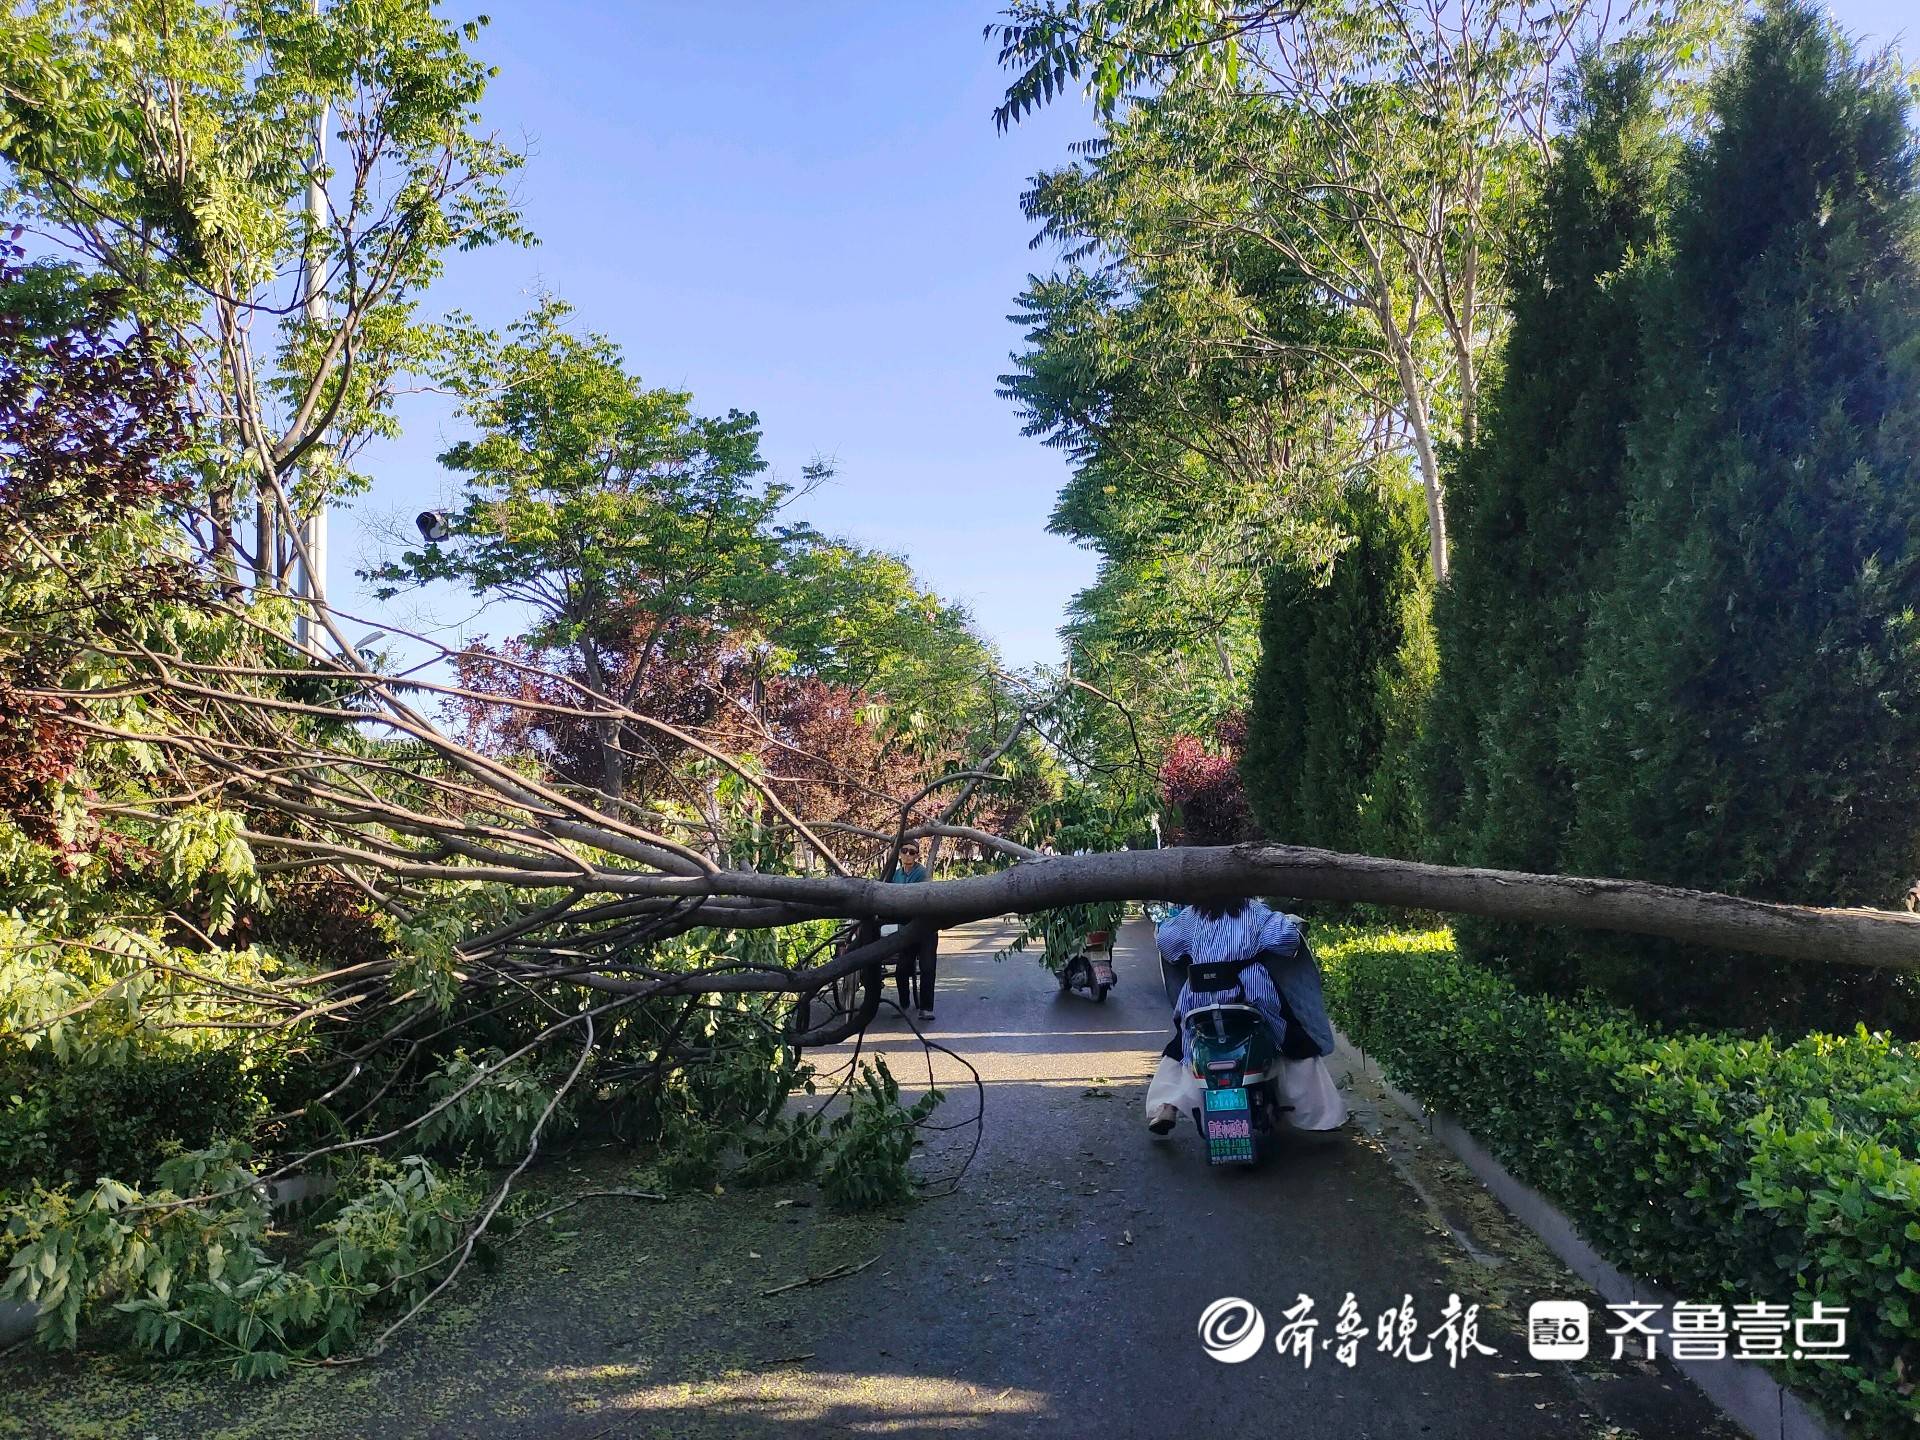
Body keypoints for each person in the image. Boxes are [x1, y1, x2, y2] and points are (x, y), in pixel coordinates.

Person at [1144, 896, 1346, 1135]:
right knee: (1291, 1039)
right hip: (1251, 994)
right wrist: (1287, 922)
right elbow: (1287, 940)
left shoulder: (1190, 916)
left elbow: (1167, 945)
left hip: (1200, 998)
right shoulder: (1255, 912)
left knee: (1185, 1043)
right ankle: (1322, 1115)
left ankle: (1167, 1106)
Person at [885, 841, 938, 1023]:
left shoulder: (922, 874)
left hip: (925, 927)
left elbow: (919, 896)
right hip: (906, 928)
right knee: (902, 969)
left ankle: (926, 1008)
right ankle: (904, 1004)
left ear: (917, 855)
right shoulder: (896, 875)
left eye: (912, 852)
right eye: (904, 851)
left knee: (927, 968)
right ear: (900, 854)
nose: (908, 855)